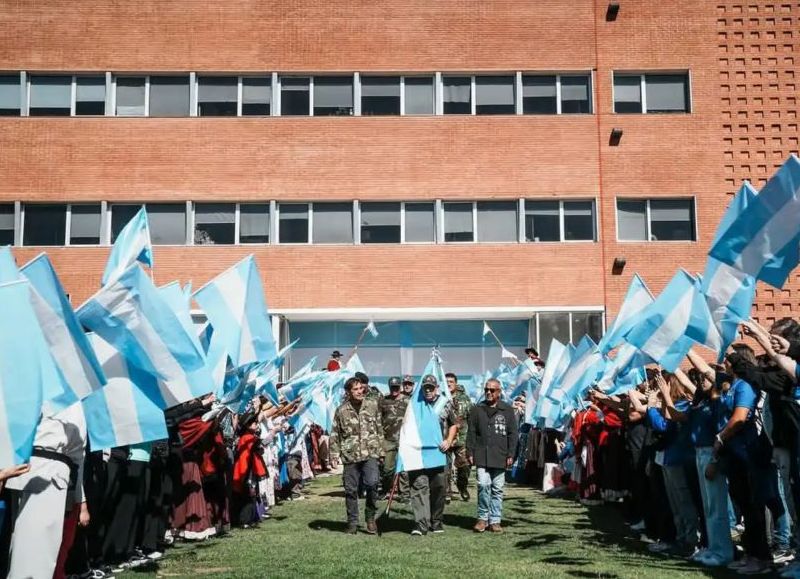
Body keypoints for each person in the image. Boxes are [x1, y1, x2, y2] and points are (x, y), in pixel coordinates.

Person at [6, 400, 88, 579]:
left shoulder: (75, 402)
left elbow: (79, 456)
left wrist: (81, 501)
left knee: (43, 548)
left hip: (57, 474)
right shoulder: (41, 389)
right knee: (31, 548)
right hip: (36, 471)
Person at [330, 377, 383, 535]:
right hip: (350, 455)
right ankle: (352, 522)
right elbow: (335, 434)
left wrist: (381, 451)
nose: (360, 391)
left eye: (361, 388)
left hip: (370, 453)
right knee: (351, 490)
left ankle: (370, 517)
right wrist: (333, 454)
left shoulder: (372, 405)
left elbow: (379, 428)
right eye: (356, 389)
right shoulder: (341, 410)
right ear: (348, 392)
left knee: (373, 484)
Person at [407, 375, 457, 536]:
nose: (428, 390)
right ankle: (420, 524)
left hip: (439, 453)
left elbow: (454, 424)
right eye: (425, 387)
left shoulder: (445, 403)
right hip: (419, 453)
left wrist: (449, 440)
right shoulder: (415, 404)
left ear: (436, 388)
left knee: (439, 488)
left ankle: (436, 521)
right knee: (418, 486)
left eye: (431, 387)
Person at [466, 378, 518, 533]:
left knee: (497, 488)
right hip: (482, 455)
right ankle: (482, 519)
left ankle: (495, 520)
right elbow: (472, 432)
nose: (488, 392)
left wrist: (510, 454)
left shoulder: (507, 410)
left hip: (500, 455)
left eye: (492, 390)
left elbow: (512, 434)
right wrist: (470, 451)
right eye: (486, 390)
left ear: (499, 392)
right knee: (483, 485)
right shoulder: (477, 409)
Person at [379, 376, 409, 500]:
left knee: (405, 470)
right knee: (387, 469)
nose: (394, 390)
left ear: (400, 387)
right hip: (388, 440)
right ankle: (385, 489)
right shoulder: (383, 401)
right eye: (392, 388)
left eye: (397, 387)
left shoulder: (408, 401)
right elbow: (378, 419)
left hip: (404, 439)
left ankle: (405, 494)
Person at [445, 372, 473, 501]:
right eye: (447, 381)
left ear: (456, 384)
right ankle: (447, 492)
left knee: (464, 466)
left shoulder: (465, 399)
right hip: (445, 437)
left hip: (462, 437)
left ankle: (462, 486)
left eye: (451, 381)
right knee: (445, 467)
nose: (449, 384)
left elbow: (471, 418)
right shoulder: (440, 398)